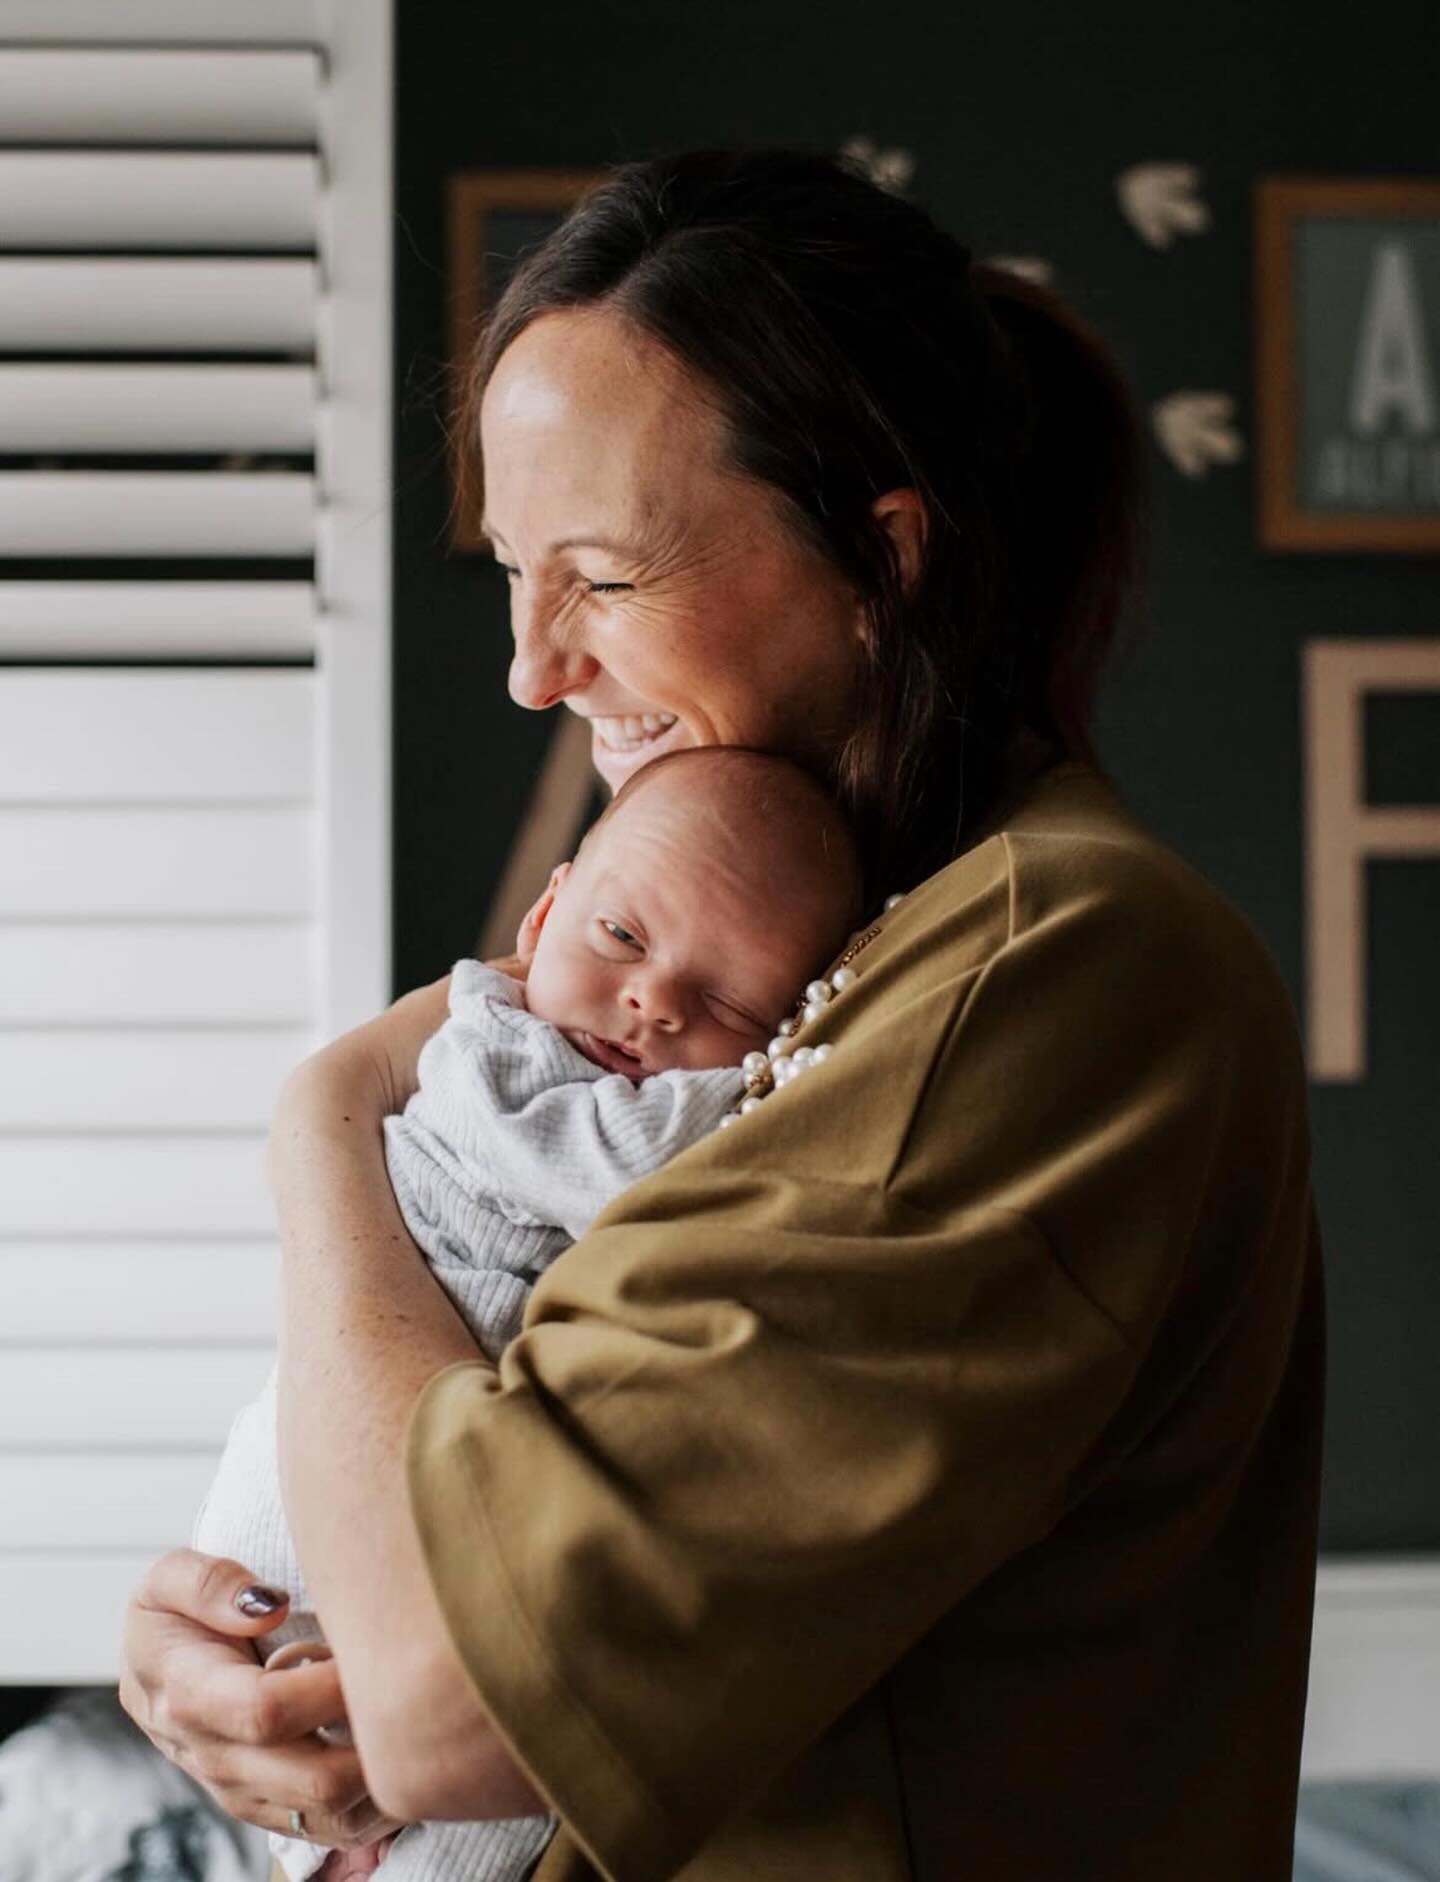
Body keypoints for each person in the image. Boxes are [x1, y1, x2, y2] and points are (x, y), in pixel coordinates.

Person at [119, 149, 1324, 1881]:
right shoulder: (776, 943)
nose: (535, 666)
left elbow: (452, 1702)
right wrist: (231, 1648)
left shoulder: (1043, 967)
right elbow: (439, 1462)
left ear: (879, 558)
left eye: (601, 578)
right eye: (517, 570)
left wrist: (321, 1132)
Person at [191, 745, 863, 1882]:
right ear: (545, 912)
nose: (653, 1001)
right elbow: (604, 1166)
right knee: (276, 1683)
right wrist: (761, 1087)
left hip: (459, 1506)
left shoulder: (433, 1053)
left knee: (457, 1807)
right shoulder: (493, 1047)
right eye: (619, 938)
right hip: (317, 1434)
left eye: (729, 1001)